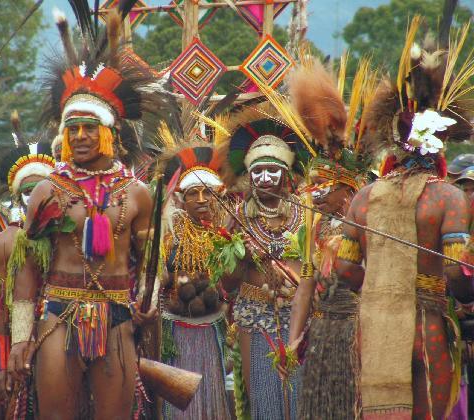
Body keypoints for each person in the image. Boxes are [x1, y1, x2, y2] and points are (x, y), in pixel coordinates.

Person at [6, 7, 170, 418]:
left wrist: (151, 300)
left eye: (89, 128)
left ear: (110, 134)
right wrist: (22, 337)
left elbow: (152, 261)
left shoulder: (137, 194)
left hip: (116, 318)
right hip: (59, 314)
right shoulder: (48, 190)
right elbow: (26, 269)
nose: (79, 136)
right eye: (72, 128)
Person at [336, 28, 474, 419]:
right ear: (439, 143)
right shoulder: (448, 197)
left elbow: (345, 270)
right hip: (425, 325)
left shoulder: (363, 197)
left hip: (373, 327)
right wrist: (465, 297)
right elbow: (456, 272)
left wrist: (381, 287)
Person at [280, 57, 372, 419]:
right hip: (322, 334)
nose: (313, 193)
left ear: (348, 191)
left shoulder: (365, 225)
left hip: (357, 332)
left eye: (322, 187)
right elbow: (305, 285)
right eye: (312, 185)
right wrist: (293, 341)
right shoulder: (312, 228)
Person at [218, 102, 313, 419]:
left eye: (272, 169)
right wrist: (242, 254)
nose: (265, 177)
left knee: (302, 398)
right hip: (256, 317)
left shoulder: (308, 215)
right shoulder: (237, 218)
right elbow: (227, 284)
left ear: (286, 174)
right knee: (266, 398)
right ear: (249, 175)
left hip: (303, 316)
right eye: (257, 171)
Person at [159, 139, 231, 420]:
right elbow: (158, 281)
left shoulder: (228, 235)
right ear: (181, 198)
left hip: (215, 330)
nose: (201, 200)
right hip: (177, 331)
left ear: (218, 196)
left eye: (208, 193)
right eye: (193, 193)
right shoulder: (169, 237)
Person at [0, 139, 55, 418]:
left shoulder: (68, 233)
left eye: (42, 189)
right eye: (28, 192)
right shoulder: (4, 242)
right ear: (18, 197)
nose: (35, 197)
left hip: (63, 334)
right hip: (21, 346)